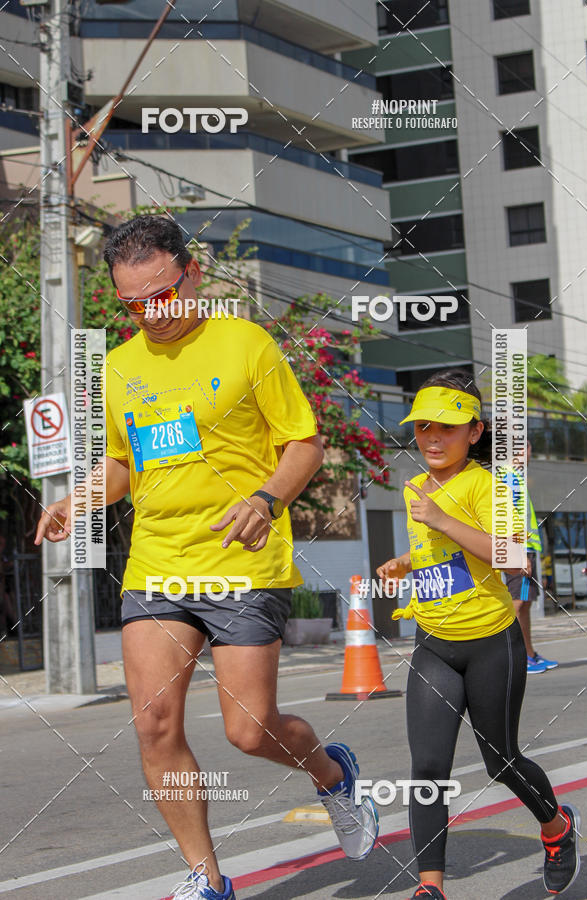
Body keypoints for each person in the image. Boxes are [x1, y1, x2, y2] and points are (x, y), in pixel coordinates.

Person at [35, 215, 378, 899]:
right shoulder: (120, 366)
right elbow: (123, 463)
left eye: (161, 296)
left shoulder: (245, 344)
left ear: (191, 273)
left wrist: (266, 500)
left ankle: (333, 773)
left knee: (249, 731)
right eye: (132, 304)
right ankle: (207, 878)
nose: (150, 314)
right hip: (157, 564)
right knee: (154, 723)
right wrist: (80, 498)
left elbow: (305, 443)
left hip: (241, 563)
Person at [376, 370, 580, 900]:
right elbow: (439, 552)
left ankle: (557, 828)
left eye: (447, 427)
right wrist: (405, 562)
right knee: (427, 767)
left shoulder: (492, 485)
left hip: (491, 642)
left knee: (502, 761)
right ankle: (431, 887)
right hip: (433, 645)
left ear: (474, 432)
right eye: (423, 426)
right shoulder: (416, 486)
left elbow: (513, 559)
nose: (432, 438)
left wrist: (443, 520)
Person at [503, 440, 558, 674]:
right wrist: (518, 552)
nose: (528, 453)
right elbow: (506, 517)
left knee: (524, 603)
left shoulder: (516, 477)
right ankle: (517, 658)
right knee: (517, 603)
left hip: (526, 548)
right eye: (523, 448)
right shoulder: (509, 478)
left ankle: (529, 654)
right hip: (520, 549)